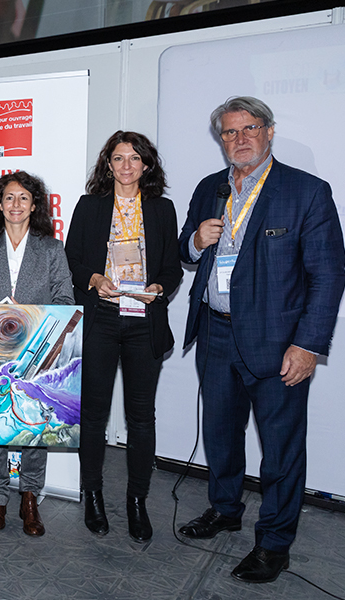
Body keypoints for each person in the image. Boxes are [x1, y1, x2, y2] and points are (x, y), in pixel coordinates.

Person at [177, 97, 345, 583]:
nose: (240, 139)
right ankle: (225, 509)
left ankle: (274, 544)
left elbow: (328, 275)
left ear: (269, 132)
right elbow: (188, 247)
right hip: (214, 331)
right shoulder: (210, 187)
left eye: (250, 128)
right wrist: (196, 242)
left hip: (279, 343)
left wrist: (309, 345)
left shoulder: (306, 191)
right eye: (230, 132)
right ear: (221, 139)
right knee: (221, 436)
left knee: (281, 448)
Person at [65, 131, 183, 543]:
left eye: (135, 158)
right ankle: (92, 495)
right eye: (119, 158)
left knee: (141, 418)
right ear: (108, 165)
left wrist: (160, 288)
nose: (127, 166)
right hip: (101, 319)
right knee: (94, 417)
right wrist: (95, 278)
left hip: (143, 323)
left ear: (146, 165)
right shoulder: (90, 206)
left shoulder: (163, 209)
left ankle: (137, 500)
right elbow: (73, 261)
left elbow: (173, 268)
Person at [0, 171, 74, 537]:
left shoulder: (51, 249)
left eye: (23, 198)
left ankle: (30, 496)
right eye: (9, 197)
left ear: (34, 206)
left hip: (36, 349)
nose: (16, 204)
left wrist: (28, 314)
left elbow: (65, 298)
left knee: (35, 425)